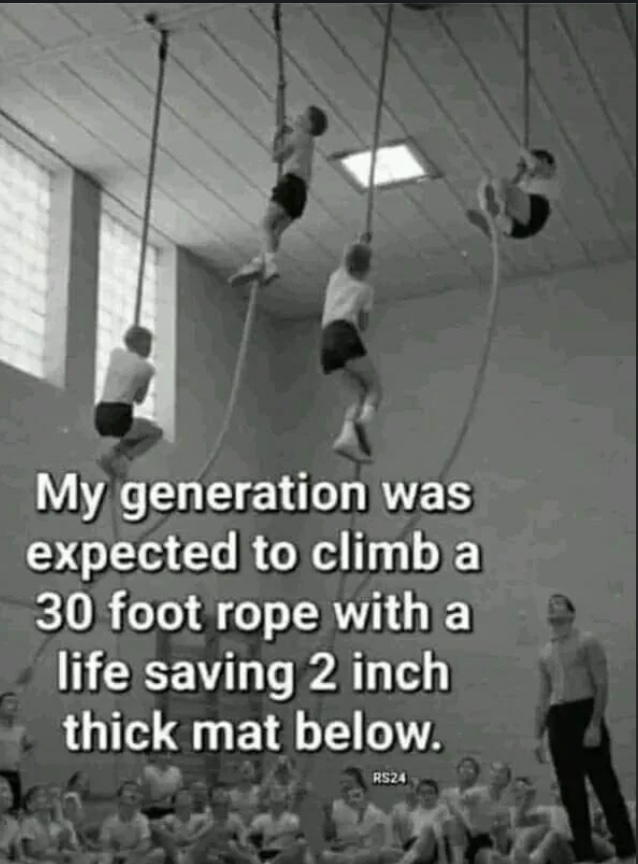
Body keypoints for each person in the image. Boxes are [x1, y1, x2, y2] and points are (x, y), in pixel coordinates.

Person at [533, 594, 636, 864]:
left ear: (571, 613)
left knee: (605, 785)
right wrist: (537, 736)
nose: (553, 607)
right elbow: (543, 696)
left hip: (585, 711)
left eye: (559, 604)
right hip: (559, 716)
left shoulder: (587, 642)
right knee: (571, 790)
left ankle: (627, 850)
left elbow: (601, 684)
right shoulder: (545, 652)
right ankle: (585, 856)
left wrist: (594, 723)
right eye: (550, 605)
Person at [229, 106, 329, 288]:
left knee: (266, 224)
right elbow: (297, 138)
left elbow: (276, 156)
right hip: (301, 195)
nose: (298, 117)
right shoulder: (309, 141)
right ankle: (261, 261)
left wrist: (275, 135)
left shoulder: (297, 136)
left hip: (289, 184)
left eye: (302, 116)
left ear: (309, 124)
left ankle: (269, 265)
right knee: (275, 232)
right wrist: (289, 131)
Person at [320, 241, 381, 464]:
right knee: (374, 388)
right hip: (344, 333)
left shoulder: (336, 277)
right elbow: (363, 325)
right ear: (367, 267)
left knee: (357, 396)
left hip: (325, 340)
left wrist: (361, 241)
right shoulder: (366, 290)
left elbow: (346, 258)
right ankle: (359, 427)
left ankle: (346, 438)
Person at [95, 325, 163, 482]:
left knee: (134, 431)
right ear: (142, 344)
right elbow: (139, 400)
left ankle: (110, 455)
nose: (150, 349)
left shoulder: (115, 354)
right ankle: (124, 458)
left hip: (100, 416)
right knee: (155, 432)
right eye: (149, 344)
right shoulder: (147, 368)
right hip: (119, 418)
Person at [466, 149, 558, 241]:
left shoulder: (548, 176)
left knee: (496, 183)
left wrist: (523, 156)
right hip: (518, 228)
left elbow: (535, 165)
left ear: (545, 160)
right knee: (487, 186)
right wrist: (520, 174)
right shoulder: (528, 183)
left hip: (534, 212)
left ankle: (493, 217)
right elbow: (512, 189)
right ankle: (493, 222)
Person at [0, 691, 34, 816]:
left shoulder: (21, 730)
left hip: (13, 774)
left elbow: (26, 747)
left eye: (15, 703)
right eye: (9, 702)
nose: (13, 706)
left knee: (15, 812)